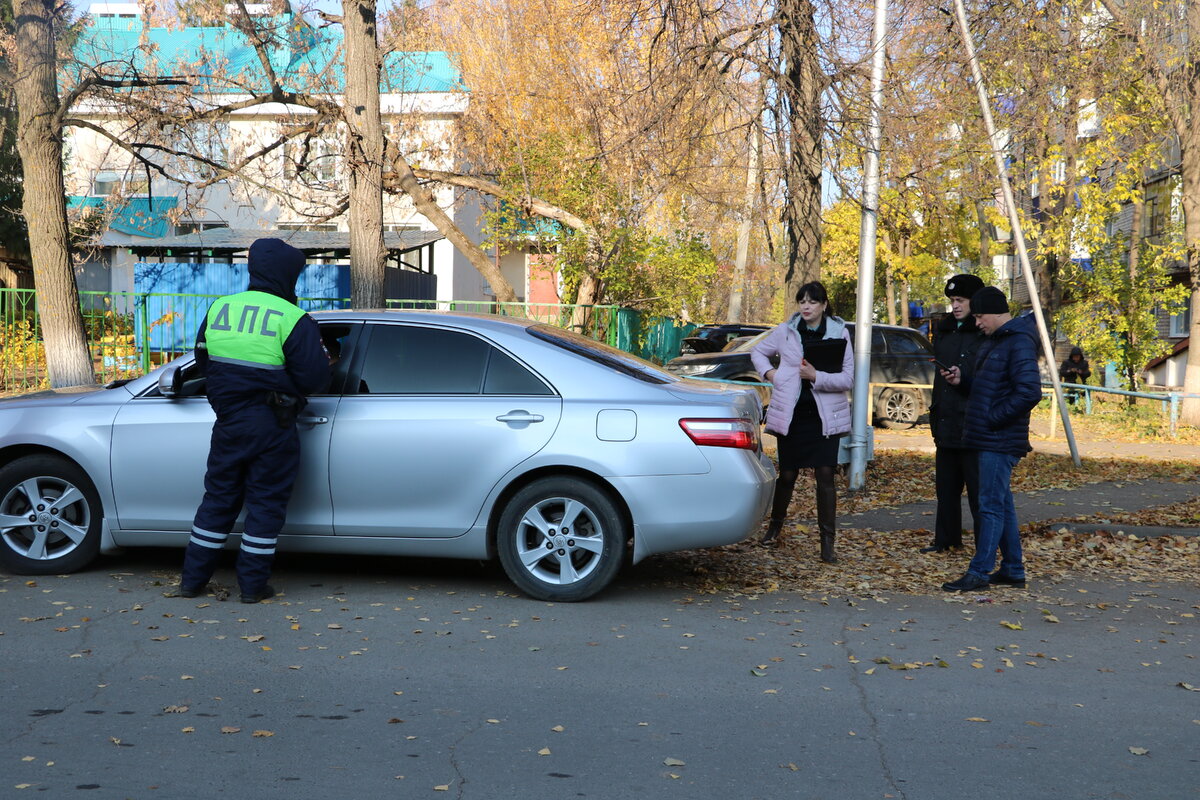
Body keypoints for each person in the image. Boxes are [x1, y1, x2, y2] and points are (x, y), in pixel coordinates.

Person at [178, 238, 330, 604]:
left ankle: (191, 582)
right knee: (265, 504)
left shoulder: (220, 309)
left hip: (228, 421)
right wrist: (281, 386)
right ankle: (252, 587)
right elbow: (315, 379)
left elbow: (203, 360)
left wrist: (229, 392)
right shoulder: (292, 318)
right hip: (272, 424)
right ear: (289, 275)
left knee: (217, 501)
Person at [939, 286, 1043, 592]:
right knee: (1002, 504)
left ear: (996, 313)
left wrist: (993, 419)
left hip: (998, 439)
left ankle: (979, 572)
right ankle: (1012, 569)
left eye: (980, 316)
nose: (978, 323)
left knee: (989, 506)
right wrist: (963, 381)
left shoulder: (1019, 342)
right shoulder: (996, 342)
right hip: (989, 437)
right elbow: (989, 390)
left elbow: (1029, 392)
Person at [751, 281, 854, 562]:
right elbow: (758, 352)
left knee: (825, 476)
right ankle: (774, 529)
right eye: (802, 301)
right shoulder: (786, 331)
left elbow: (848, 378)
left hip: (824, 417)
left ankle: (827, 544)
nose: (806, 307)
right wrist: (770, 375)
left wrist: (816, 377)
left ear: (823, 305)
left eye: (812, 302)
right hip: (793, 415)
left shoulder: (839, 333)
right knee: (787, 474)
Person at [922, 274, 985, 554]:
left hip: (972, 422)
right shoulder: (946, 329)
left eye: (961, 300)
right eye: (952, 301)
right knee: (945, 489)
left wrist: (965, 377)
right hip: (946, 418)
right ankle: (946, 539)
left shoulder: (984, 330)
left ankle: (985, 544)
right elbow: (939, 379)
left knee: (978, 491)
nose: (955, 306)